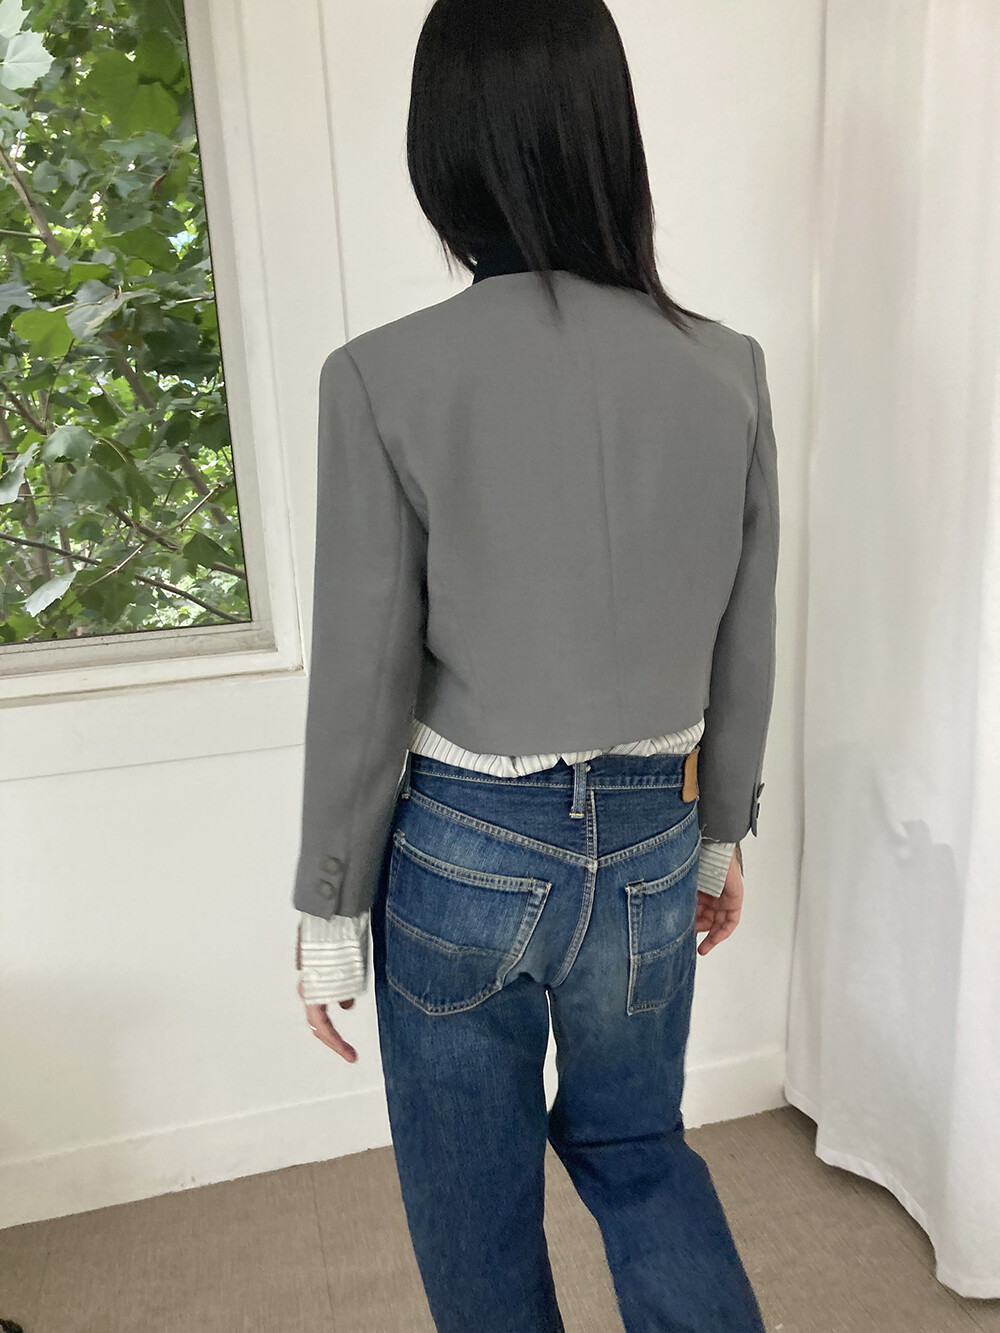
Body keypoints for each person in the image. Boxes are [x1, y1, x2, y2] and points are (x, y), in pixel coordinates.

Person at [292, 1, 778, 1329]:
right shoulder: (727, 368)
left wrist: (330, 907)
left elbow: (363, 676)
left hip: (463, 850)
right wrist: (721, 836)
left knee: (473, 1202)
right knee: (640, 1150)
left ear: (442, 148)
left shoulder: (380, 377)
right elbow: (746, 631)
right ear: (606, 133)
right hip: (649, 839)